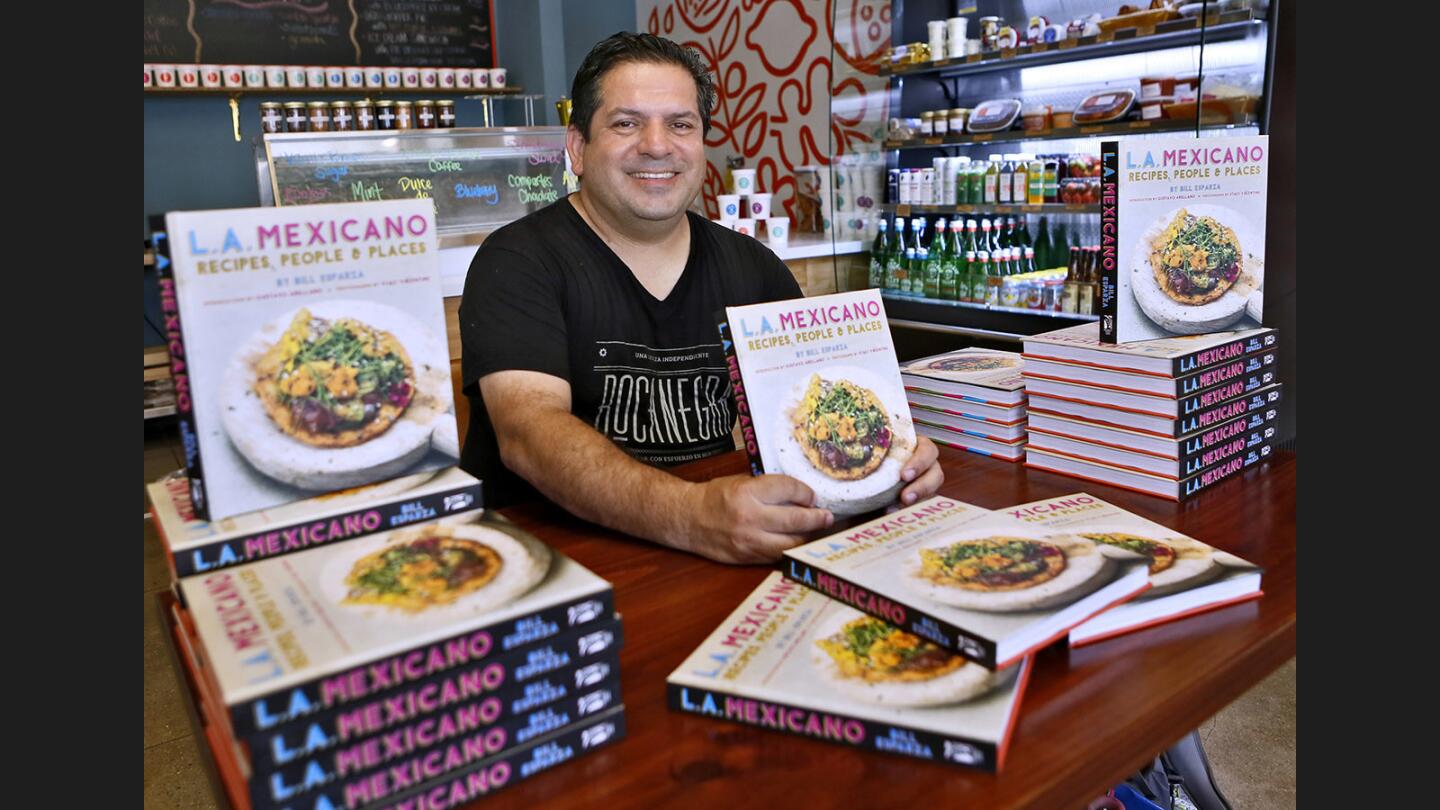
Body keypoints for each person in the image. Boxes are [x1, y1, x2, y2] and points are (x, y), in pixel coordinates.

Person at [458, 32, 942, 563]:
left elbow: (827, 404)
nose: (657, 145)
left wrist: (893, 466)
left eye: (681, 124)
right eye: (626, 123)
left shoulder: (754, 269)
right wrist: (690, 516)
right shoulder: (517, 262)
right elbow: (530, 434)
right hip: (551, 564)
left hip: (715, 550)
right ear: (577, 147)